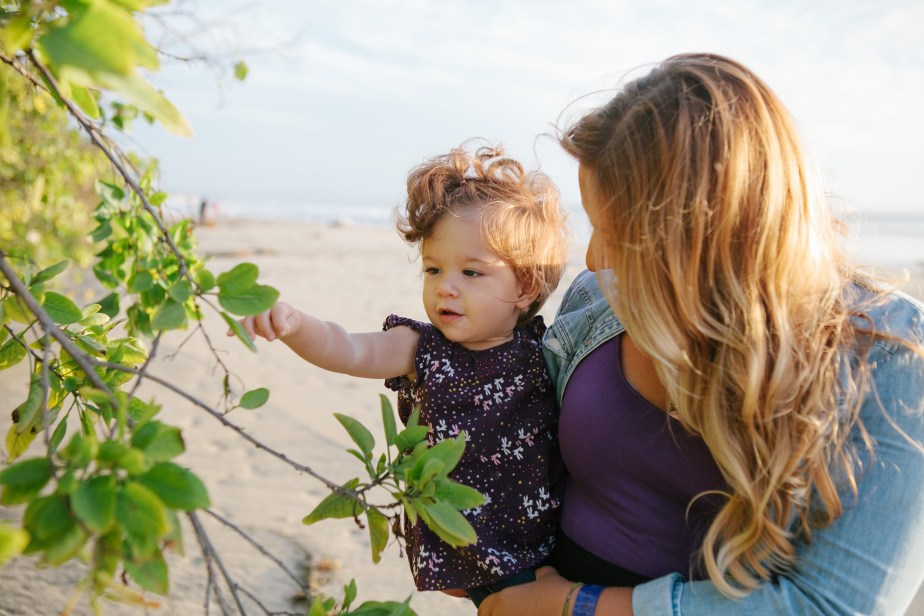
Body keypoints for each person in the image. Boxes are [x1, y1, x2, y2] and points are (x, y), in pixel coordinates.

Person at [478, 53, 924, 615]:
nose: (592, 259)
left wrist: (575, 605)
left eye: (616, 233)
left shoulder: (890, 357)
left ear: (702, 243)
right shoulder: (599, 299)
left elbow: (832, 605)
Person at [234, 143, 570, 606]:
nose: (445, 286)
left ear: (526, 287)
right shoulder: (422, 348)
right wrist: (294, 325)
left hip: (550, 539)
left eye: (472, 273)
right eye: (434, 268)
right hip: (478, 554)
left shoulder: (543, 349)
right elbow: (348, 348)